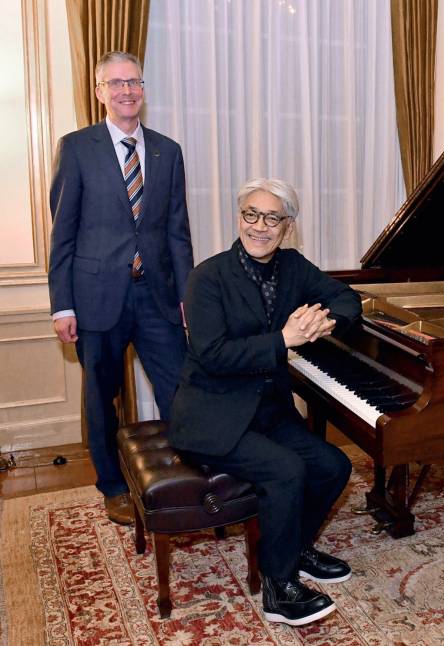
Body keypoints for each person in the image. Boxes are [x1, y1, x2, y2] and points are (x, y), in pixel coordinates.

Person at [168, 178, 362, 627]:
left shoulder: (293, 267)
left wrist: (324, 321)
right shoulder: (207, 277)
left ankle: (294, 546)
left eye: (272, 218)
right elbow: (213, 355)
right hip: (211, 415)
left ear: (287, 226)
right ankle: (279, 587)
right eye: (251, 215)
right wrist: (284, 339)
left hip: (267, 410)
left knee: (334, 466)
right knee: (286, 470)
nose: (260, 226)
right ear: (239, 218)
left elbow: (346, 297)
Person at [48, 51, 193, 525]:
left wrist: (186, 296)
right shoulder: (76, 147)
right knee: (100, 396)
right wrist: (61, 305)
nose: (126, 90)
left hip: (157, 298)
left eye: (133, 82)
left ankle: (186, 474)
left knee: (179, 387)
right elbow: (63, 234)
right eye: (115, 83)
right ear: (99, 92)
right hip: (95, 299)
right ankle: (112, 485)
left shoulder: (167, 151)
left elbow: (177, 231)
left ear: (143, 88)